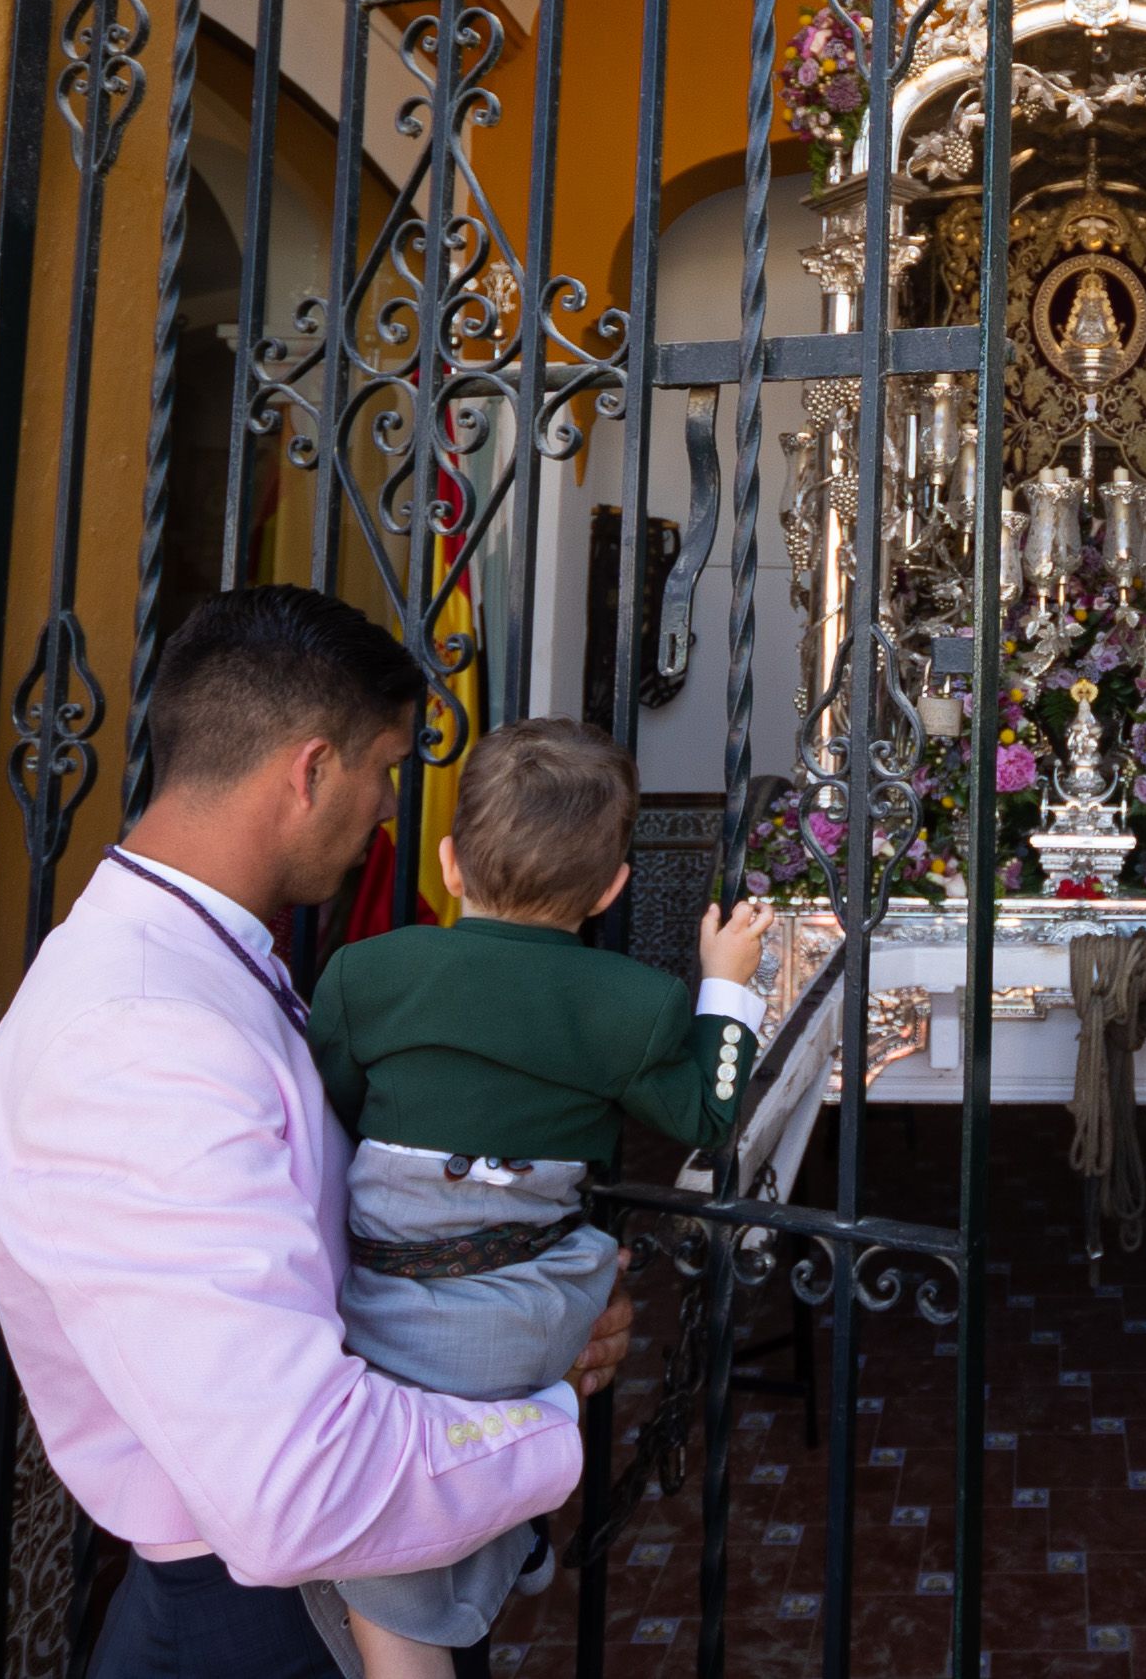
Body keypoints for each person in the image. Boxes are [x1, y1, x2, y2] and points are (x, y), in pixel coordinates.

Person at [0, 587, 632, 1679]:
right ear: (310, 770)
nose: (387, 813)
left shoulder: (191, 961)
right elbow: (296, 1488)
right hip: (254, 1627)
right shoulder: (135, 1040)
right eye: (384, 771)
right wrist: (549, 1417)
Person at [305, 718, 772, 1679]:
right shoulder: (633, 1000)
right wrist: (726, 989)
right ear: (610, 887)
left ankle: (461, 1564)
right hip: (530, 1323)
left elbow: (336, 1112)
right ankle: (498, 1528)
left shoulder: (365, 973)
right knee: (440, 1509)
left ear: (447, 860)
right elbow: (706, 1115)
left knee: (384, 1551)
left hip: (388, 1309)